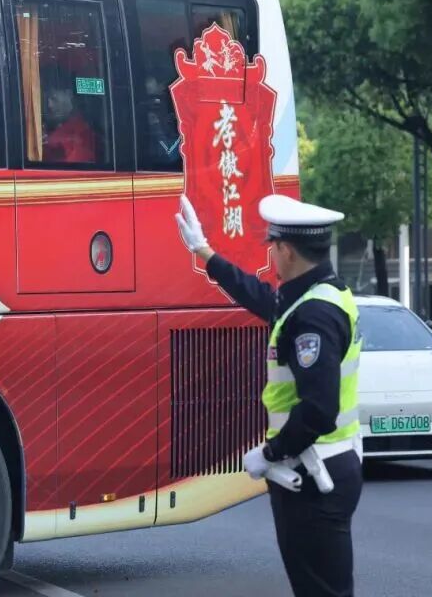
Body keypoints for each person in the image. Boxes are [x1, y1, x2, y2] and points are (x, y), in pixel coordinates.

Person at [175, 193, 363, 597]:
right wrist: (205, 253)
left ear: (287, 250)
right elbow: (260, 297)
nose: (271, 256)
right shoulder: (320, 295)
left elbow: (319, 408)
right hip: (323, 467)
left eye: (273, 247)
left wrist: (271, 453)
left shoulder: (314, 315)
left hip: (312, 474)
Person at [42, 83, 96, 163]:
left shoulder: (80, 132)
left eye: (54, 99)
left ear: (69, 95)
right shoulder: (51, 125)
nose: (50, 105)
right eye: (47, 100)